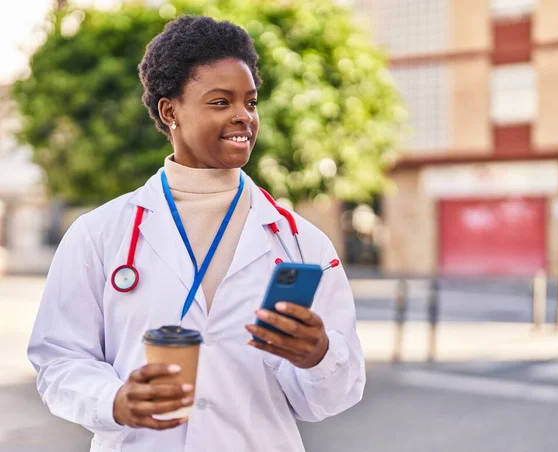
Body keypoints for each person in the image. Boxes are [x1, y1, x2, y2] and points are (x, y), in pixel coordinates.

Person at [27, 14, 365, 452]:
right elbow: (58, 362)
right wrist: (114, 399)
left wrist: (318, 356)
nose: (243, 116)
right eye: (221, 102)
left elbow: (335, 394)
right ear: (170, 112)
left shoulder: (301, 242)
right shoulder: (99, 234)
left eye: (251, 102)